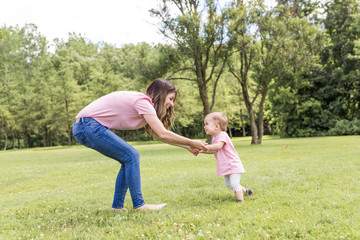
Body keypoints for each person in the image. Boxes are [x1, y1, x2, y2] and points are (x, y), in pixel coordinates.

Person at [72, 79, 208, 211]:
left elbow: (159, 134)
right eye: (171, 98)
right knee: (131, 155)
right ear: (161, 94)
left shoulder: (144, 104)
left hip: (83, 127)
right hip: (88, 125)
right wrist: (191, 141)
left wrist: (186, 146)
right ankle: (139, 205)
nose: (172, 104)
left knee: (127, 158)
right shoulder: (143, 102)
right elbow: (162, 133)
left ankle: (117, 207)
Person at [200, 112, 253, 202]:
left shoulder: (222, 135)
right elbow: (214, 150)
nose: (204, 127)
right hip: (225, 165)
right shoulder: (214, 139)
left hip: (232, 164)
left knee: (234, 183)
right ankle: (247, 191)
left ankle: (240, 200)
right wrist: (202, 150)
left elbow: (218, 146)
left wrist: (205, 146)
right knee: (229, 185)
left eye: (207, 124)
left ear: (217, 126)